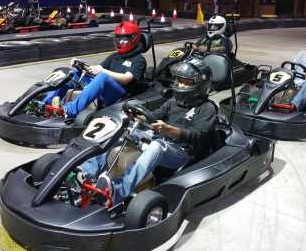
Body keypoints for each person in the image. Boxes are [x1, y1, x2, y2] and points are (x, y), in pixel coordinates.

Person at [79, 57, 218, 206]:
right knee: (121, 131)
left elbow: (198, 136)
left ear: (200, 84)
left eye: (186, 82)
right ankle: (86, 171)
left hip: (182, 152)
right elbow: (155, 115)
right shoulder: (173, 101)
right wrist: (136, 116)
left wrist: (170, 130)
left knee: (157, 146)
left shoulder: (207, 108)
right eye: (179, 80)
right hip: (161, 138)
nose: (180, 84)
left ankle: (119, 189)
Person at [42, 21, 146, 119]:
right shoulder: (115, 56)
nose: (120, 41)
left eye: (124, 38)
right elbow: (97, 70)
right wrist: (80, 65)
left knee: (103, 77)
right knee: (73, 74)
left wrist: (103, 71)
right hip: (106, 87)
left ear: (133, 39)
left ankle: (70, 111)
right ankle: (46, 103)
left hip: (120, 94)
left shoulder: (138, 59)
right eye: (118, 38)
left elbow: (126, 78)